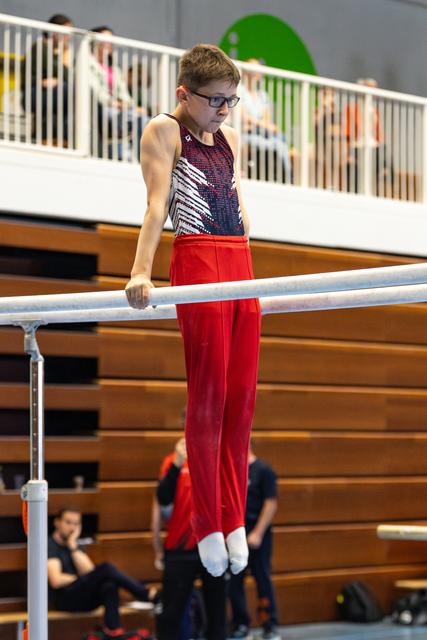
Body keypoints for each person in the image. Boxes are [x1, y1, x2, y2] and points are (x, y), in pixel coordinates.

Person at [125, 44, 261, 579]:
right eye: (215, 102)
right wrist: (142, 271)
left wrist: (251, 257)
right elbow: (157, 205)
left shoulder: (227, 137)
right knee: (208, 396)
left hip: (239, 261)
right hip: (198, 258)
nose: (224, 111)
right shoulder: (162, 130)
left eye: (232, 101)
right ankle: (207, 521)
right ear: (184, 94)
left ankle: (232, 517)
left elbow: (238, 201)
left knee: (241, 399)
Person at [155, 436, 227, 640]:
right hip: (180, 547)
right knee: (171, 612)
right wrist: (178, 463)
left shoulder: (219, 458)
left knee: (217, 613)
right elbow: (163, 498)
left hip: (213, 546)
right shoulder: (172, 460)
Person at [48, 506, 156, 639]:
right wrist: (80, 578)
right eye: (68, 522)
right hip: (64, 600)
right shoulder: (50, 545)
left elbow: (90, 572)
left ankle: (113, 631)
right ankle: (145, 593)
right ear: (57, 522)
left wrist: (73, 546)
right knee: (106, 569)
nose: (72, 528)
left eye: (76, 524)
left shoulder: (75, 545)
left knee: (109, 584)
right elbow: (56, 580)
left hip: (82, 598)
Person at [228, 446, 279, 640]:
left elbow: (271, 503)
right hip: (236, 535)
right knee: (234, 582)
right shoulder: (232, 470)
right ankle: (241, 624)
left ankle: (269, 625)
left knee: (262, 579)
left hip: (258, 536)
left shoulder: (263, 470)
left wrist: (257, 533)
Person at [89, 26, 148, 159]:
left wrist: (131, 106)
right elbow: (97, 94)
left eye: (111, 41)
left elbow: (124, 94)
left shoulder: (114, 68)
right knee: (124, 117)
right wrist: (117, 104)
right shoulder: (87, 63)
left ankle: (141, 160)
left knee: (144, 119)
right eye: (106, 40)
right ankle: (127, 155)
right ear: (95, 42)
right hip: (101, 107)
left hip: (119, 109)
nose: (110, 44)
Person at [21, 14, 74, 143]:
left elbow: (66, 76)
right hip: (33, 93)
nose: (69, 37)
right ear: (54, 32)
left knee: (64, 97)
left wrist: (58, 80)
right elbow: (63, 73)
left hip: (52, 93)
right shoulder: (41, 47)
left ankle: (57, 139)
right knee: (68, 90)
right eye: (66, 32)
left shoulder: (60, 52)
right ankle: (53, 138)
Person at [240, 58, 290, 181]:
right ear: (245, 72)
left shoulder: (263, 95)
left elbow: (267, 120)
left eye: (257, 70)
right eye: (252, 69)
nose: (256, 73)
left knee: (281, 142)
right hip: (246, 133)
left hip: (260, 133)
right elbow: (242, 117)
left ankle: (287, 179)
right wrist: (262, 124)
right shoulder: (239, 90)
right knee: (275, 144)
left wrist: (259, 124)